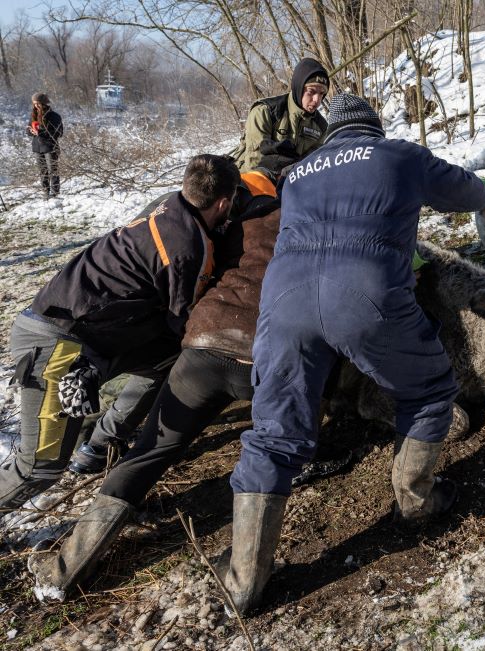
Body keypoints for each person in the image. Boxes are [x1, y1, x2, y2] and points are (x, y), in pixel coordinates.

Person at [222, 93, 485, 613]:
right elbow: (463, 189)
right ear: (374, 128)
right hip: (365, 293)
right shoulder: (398, 154)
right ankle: (416, 502)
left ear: (331, 135)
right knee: (430, 388)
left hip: (283, 301)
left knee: (275, 429)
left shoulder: (299, 173)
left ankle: (244, 580)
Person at [30, 157, 288, 599]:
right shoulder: (309, 222)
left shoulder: (229, 227)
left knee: (149, 452)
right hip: (259, 357)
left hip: (201, 347)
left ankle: (64, 570)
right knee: (273, 447)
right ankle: (243, 581)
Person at [0, 155, 239, 514]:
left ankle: (101, 444)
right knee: (40, 467)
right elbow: (185, 321)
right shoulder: (189, 250)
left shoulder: (166, 205)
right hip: (57, 346)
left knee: (168, 362)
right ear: (224, 202)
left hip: (82, 331)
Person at [230, 58, 329, 172]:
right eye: (311, 92)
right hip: (250, 182)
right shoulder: (265, 111)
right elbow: (254, 164)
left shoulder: (321, 127)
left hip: (293, 183)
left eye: (322, 93)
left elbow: (314, 166)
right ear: (299, 88)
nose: (317, 99)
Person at [28, 93, 64, 198]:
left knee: (52, 169)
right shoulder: (33, 115)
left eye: (38, 104)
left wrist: (40, 132)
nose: (36, 106)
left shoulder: (54, 116)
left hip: (50, 147)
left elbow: (59, 133)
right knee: (42, 171)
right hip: (37, 147)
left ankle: (55, 192)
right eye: (34, 104)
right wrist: (31, 131)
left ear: (44, 103)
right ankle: (45, 192)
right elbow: (27, 129)